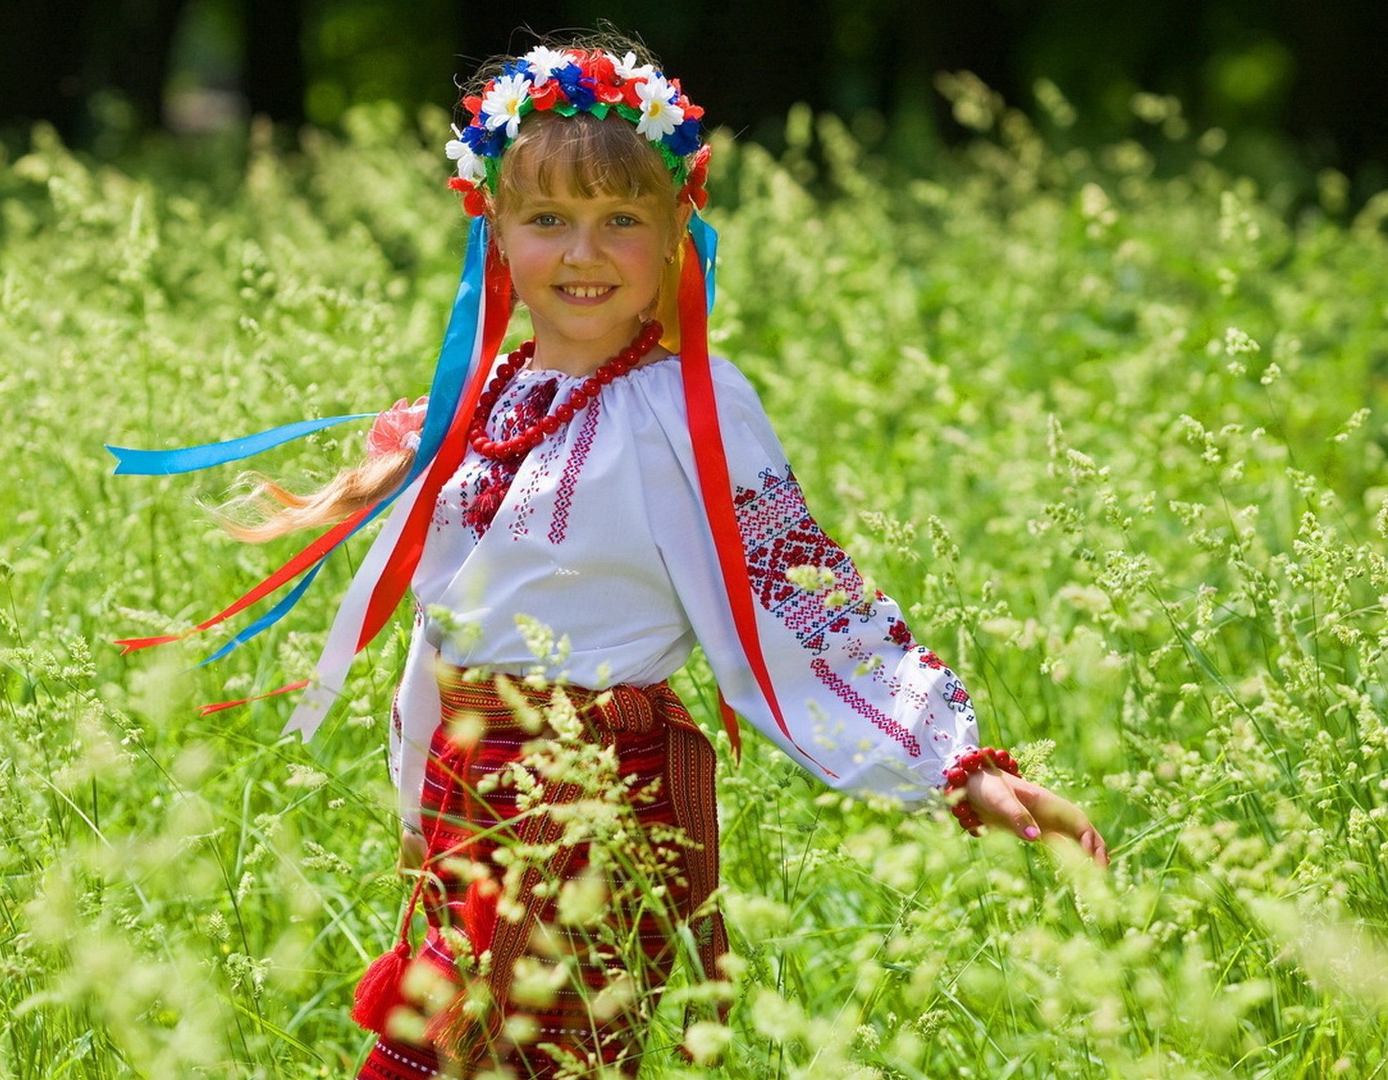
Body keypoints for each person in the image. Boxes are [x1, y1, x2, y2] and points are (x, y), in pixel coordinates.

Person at [109, 32, 1106, 1080]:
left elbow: (802, 599)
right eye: (548, 220)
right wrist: (416, 806)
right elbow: (446, 627)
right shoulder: (486, 398)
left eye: (620, 220)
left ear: (676, 230)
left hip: (594, 808)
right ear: (496, 233)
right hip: (468, 800)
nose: (583, 253)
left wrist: (953, 767)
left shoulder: (690, 408)